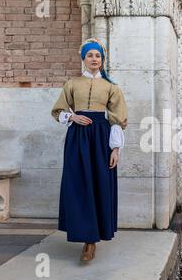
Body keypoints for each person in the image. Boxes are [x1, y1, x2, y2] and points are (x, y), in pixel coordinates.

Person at [51, 38, 127, 263]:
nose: (94, 59)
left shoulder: (112, 87)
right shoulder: (72, 84)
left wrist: (115, 149)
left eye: (98, 56)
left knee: (99, 183)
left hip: (101, 138)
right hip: (78, 137)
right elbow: (58, 111)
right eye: (90, 55)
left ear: (102, 60)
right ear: (83, 58)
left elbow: (118, 119)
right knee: (78, 184)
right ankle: (85, 235)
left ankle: (92, 241)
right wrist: (72, 116)